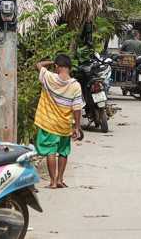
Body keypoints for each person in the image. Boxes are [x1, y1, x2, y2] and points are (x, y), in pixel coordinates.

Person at [34, 54, 84, 189]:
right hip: (64, 124)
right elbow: (77, 108)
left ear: (57, 67)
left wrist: (51, 61)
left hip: (49, 123)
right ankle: (61, 179)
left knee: (51, 151)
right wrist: (77, 127)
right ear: (69, 68)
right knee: (63, 151)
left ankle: (53, 182)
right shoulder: (75, 85)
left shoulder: (49, 77)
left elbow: (38, 65)